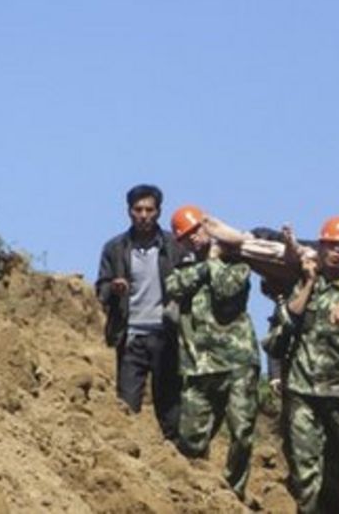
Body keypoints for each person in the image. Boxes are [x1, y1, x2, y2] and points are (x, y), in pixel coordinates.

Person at [278, 216, 339, 513]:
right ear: (321, 247)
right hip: (302, 389)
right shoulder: (306, 279)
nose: (336, 252)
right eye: (331, 246)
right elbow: (290, 314)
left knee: (338, 472)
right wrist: (308, 282)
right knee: (305, 469)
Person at [165, 204, 261, 500]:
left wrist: (216, 260)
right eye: (187, 235)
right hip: (198, 366)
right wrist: (206, 264)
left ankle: (233, 493)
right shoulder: (183, 270)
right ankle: (194, 492)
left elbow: (226, 291)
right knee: (191, 437)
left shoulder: (238, 264)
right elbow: (173, 286)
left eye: (198, 230)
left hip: (237, 364)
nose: (194, 238)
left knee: (241, 434)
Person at [95, 184, 183, 441]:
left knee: (170, 408)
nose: (143, 215)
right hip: (130, 336)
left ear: (159, 212)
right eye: (138, 210)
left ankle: (177, 461)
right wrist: (113, 288)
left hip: (166, 336)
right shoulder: (115, 248)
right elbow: (100, 288)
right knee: (126, 405)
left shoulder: (173, 246)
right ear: (128, 211)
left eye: (149, 209)